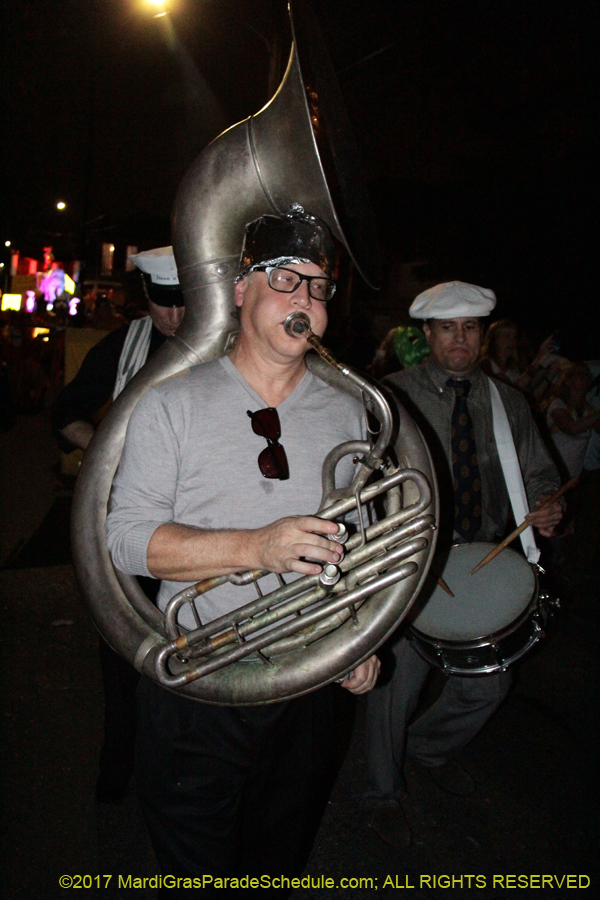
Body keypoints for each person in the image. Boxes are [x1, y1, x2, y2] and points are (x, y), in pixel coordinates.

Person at [105, 206, 380, 894]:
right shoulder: (170, 403)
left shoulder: (350, 410)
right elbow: (125, 540)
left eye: (319, 289)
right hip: (200, 683)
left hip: (309, 682)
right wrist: (256, 547)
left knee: (276, 864)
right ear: (238, 289)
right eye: (286, 281)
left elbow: (362, 539)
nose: (306, 303)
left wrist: (362, 632)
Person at [364, 281, 562, 849]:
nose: (460, 338)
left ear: (483, 334)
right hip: (410, 561)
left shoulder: (510, 403)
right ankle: (381, 790)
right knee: (393, 683)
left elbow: (541, 474)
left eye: (470, 328)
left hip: (483, 559)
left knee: (488, 686)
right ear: (426, 334)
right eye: (447, 328)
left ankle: (426, 749)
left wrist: (549, 503)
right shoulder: (392, 398)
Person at [51, 246, 185, 802]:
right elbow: (64, 413)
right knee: (124, 651)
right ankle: (118, 766)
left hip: (197, 520)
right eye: (164, 305)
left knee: (190, 646)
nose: (177, 320)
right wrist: (111, 450)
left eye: (186, 305)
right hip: (132, 519)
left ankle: (176, 768)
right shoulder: (125, 343)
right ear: (147, 298)